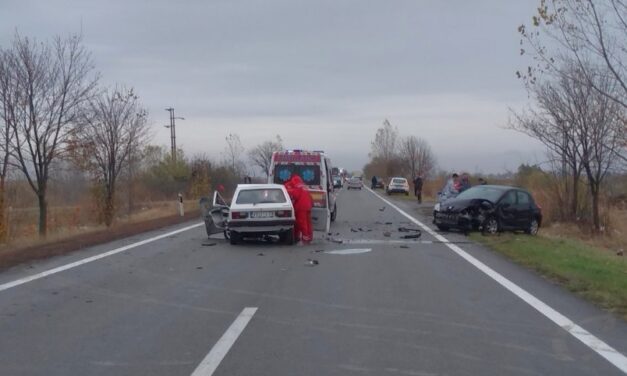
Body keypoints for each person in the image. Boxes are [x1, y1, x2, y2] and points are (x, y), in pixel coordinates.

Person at [284, 174, 313, 244]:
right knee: (308, 223)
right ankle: (309, 237)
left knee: (302, 223)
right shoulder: (304, 186)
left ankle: (305, 238)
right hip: (308, 206)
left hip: (301, 207)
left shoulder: (297, 187)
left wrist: (288, 191)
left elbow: (295, 196)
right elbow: (310, 197)